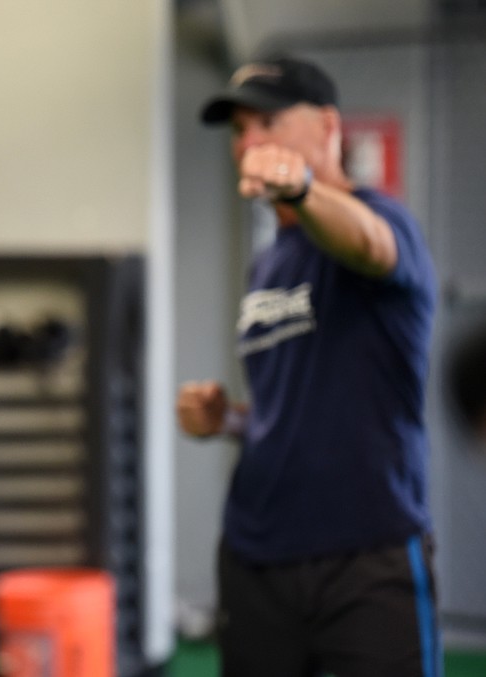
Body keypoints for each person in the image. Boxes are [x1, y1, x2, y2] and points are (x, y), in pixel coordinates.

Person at [175, 55, 441, 677]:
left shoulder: (382, 221)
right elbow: (287, 410)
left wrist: (300, 189)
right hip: (256, 557)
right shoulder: (267, 265)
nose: (250, 142)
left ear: (327, 126)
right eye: (240, 130)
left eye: (267, 120)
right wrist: (228, 420)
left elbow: (370, 245)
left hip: (365, 556)